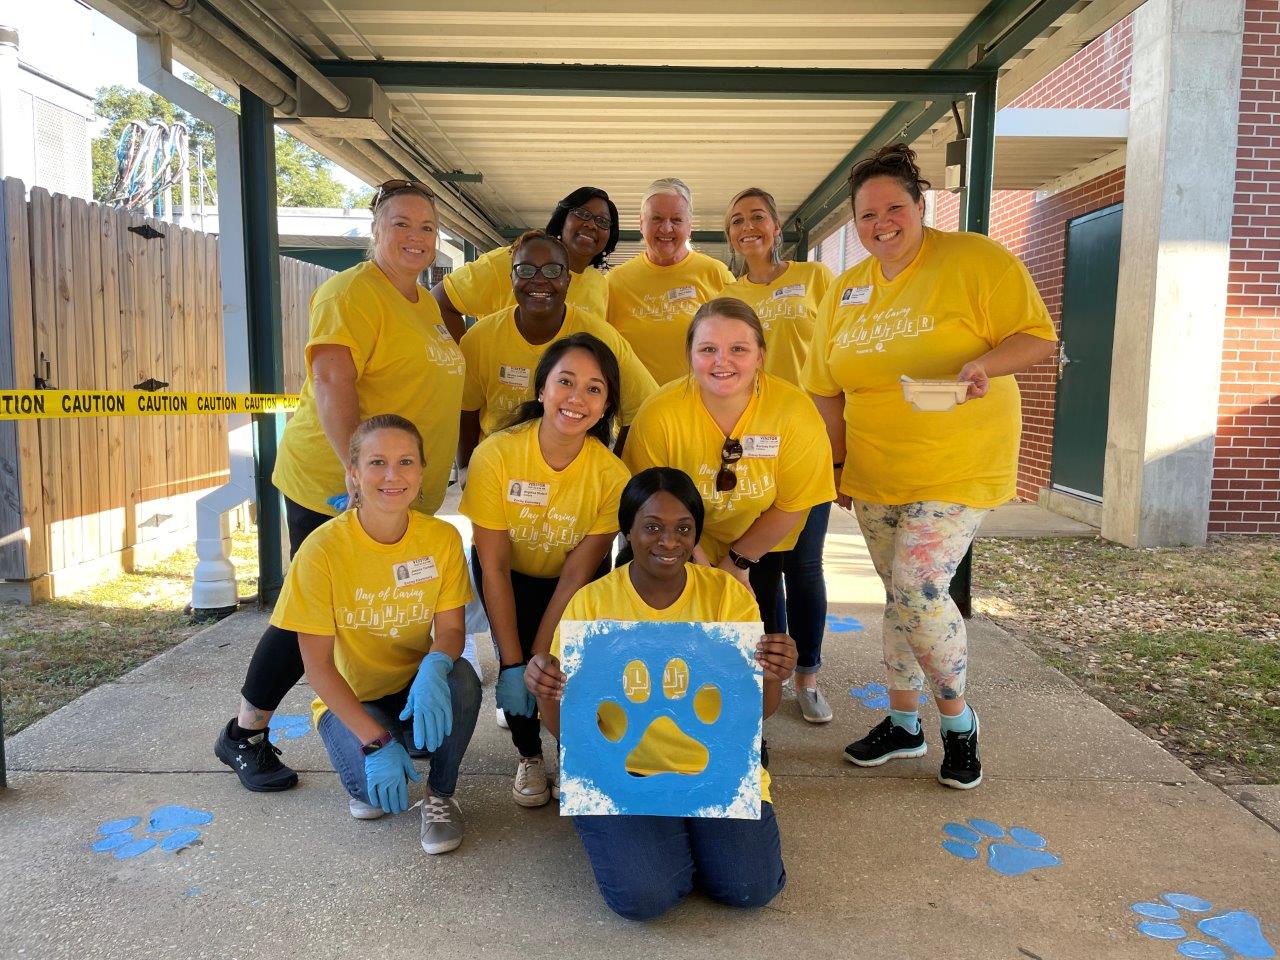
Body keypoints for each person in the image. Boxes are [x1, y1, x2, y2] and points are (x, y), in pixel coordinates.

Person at [802, 143, 1058, 790]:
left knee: (918, 589)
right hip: (877, 467)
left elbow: (1035, 335)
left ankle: (959, 725)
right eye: (866, 215)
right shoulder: (847, 288)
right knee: (900, 598)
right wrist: (835, 464)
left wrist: (983, 367)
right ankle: (903, 723)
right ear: (855, 224)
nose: (881, 222)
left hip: (958, 462)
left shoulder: (975, 259)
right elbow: (825, 387)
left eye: (895, 207)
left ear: (921, 205)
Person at [214, 179, 466, 793]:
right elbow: (331, 380)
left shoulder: (422, 302)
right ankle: (245, 732)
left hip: (393, 488)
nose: (415, 237)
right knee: (311, 612)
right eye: (400, 224)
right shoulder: (352, 291)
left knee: (368, 610)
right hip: (338, 484)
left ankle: (379, 716)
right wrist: (355, 476)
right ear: (374, 230)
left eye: (427, 227)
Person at [525, 467, 796, 920]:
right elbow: (569, 732)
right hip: (622, 775)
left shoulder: (728, 597)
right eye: (652, 527)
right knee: (644, 899)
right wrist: (545, 691)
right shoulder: (591, 604)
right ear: (627, 530)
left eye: (683, 529)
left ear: (696, 535)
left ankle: (673, 831)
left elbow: (757, 714)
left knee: (751, 887)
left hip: (714, 769)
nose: (668, 541)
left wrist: (774, 673)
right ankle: (654, 832)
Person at [275, 414, 480, 852]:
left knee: (461, 678)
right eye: (377, 463)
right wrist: (375, 740)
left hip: (412, 689)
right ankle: (389, 741)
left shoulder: (441, 539)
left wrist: (434, 665)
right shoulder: (321, 551)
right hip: (353, 697)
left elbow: (450, 630)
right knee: (376, 799)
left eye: (406, 462)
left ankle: (441, 795)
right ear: (353, 472)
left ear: (423, 472)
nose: (393, 475)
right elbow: (316, 665)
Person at [459, 333, 631, 807]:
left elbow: (577, 575)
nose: (577, 398)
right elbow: (492, 565)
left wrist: (539, 657)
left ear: (606, 405)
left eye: (594, 389)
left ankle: (573, 750)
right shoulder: (496, 454)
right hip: (507, 574)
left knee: (562, 668)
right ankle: (528, 756)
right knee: (515, 663)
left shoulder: (611, 476)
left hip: (569, 584)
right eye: (566, 382)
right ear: (541, 389)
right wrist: (514, 665)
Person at [623, 297, 835, 639]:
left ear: (761, 355)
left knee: (760, 640)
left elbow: (793, 503)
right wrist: (704, 568)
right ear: (690, 354)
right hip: (677, 542)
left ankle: (797, 677)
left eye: (738, 348)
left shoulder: (794, 412)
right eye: (708, 349)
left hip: (758, 542)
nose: (722, 361)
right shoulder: (660, 413)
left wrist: (736, 563)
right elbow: (646, 502)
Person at [721, 188, 837, 724]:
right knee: (760, 564)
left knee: (805, 566)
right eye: (738, 220)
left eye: (759, 217)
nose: (750, 227)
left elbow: (839, 357)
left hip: (807, 439)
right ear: (729, 234)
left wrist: (841, 448)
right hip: (752, 448)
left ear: (777, 225)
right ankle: (770, 670)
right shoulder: (728, 291)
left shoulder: (816, 280)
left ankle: (808, 674)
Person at [456, 230, 657, 466]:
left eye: (553, 270)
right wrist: (465, 468)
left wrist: (617, 465)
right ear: (511, 278)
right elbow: (466, 410)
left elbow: (643, 407)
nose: (539, 279)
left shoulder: (601, 337)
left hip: (576, 475)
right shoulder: (480, 339)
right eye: (526, 270)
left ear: (568, 280)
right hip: (499, 471)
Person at [431, 186, 618, 339]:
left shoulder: (599, 284)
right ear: (562, 220)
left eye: (602, 221)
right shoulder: (511, 260)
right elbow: (439, 302)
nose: (592, 225)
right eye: (582, 214)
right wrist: (465, 361)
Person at [606, 178, 734, 385]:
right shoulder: (615, 281)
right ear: (641, 223)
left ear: (690, 226)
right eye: (656, 219)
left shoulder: (715, 274)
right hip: (637, 411)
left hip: (701, 407)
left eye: (676, 220)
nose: (666, 229)